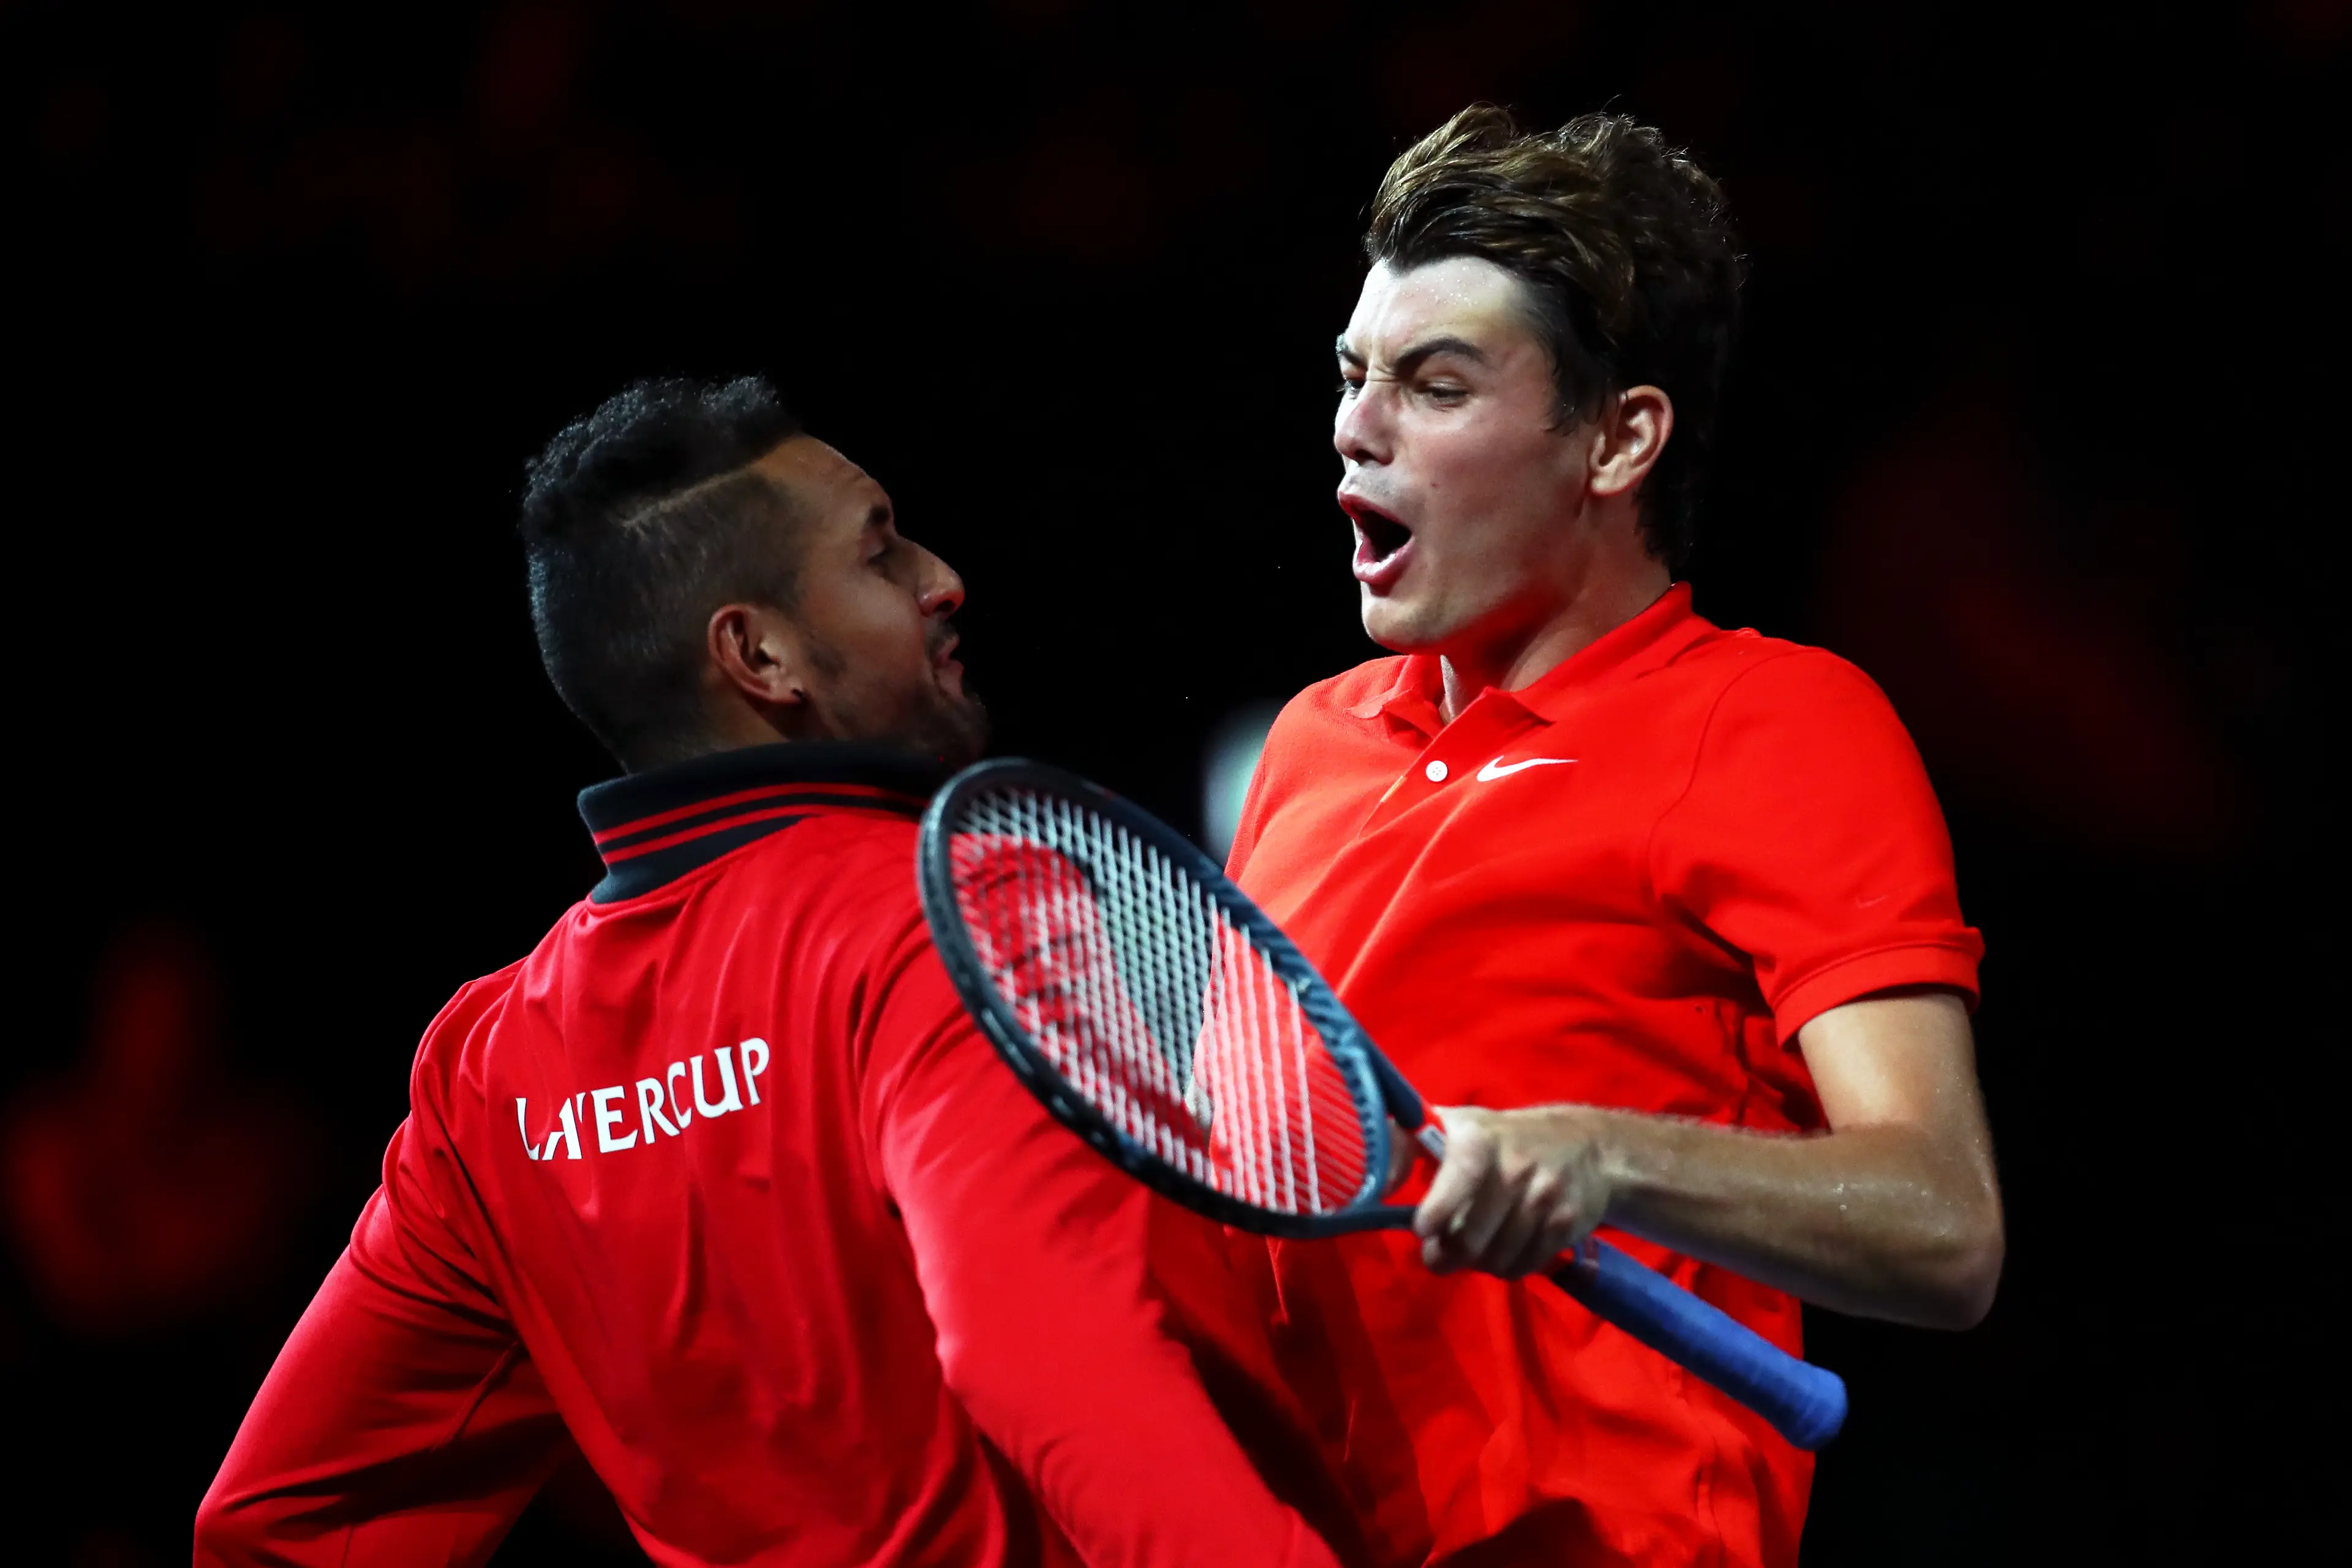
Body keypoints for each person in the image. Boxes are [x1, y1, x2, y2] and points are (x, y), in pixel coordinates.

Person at [196, 377, 1344, 1568]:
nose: (942, 577)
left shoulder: (490, 1066)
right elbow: (1055, 1361)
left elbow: (284, 1524)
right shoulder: (960, 908)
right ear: (761, 653)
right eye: (882, 551)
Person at [1222, 106, 2005, 1567]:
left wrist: (1601, 1156)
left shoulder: (1775, 721)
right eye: (1354, 374)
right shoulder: (1308, 743)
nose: (1356, 425)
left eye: (1435, 385)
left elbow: (1944, 1219)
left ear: (1618, 438)